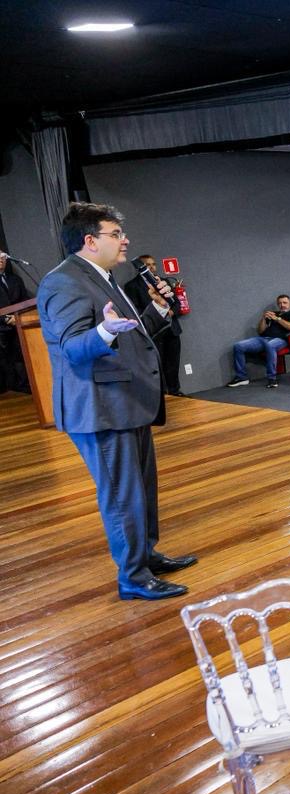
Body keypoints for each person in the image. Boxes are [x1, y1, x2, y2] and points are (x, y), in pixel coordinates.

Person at [36, 201, 195, 600]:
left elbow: (130, 334)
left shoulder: (102, 276)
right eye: (115, 235)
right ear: (90, 241)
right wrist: (104, 331)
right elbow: (73, 348)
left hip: (126, 401)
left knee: (142, 487)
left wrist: (157, 309)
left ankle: (146, 555)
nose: (125, 241)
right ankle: (133, 578)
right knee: (123, 495)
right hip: (101, 407)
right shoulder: (64, 282)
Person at [123, 254, 184, 396]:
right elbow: (135, 310)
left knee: (173, 364)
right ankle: (162, 396)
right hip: (154, 332)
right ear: (141, 268)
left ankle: (176, 392)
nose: (152, 267)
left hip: (172, 330)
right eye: (148, 265)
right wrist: (157, 312)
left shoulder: (164, 282)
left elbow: (177, 303)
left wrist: (168, 312)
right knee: (157, 365)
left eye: (153, 264)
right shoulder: (132, 286)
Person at [226, 294, 290, 389]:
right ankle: (241, 377)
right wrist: (263, 319)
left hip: (281, 339)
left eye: (285, 302)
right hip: (264, 338)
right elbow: (260, 331)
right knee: (238, 346)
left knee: (270, 345)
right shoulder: (274, 313)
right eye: (280, 303)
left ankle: (272, 378)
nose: (282, 305)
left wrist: (277, 319)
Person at [0, 251, 33, 393]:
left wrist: (18, 318)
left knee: (22, 355)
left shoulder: (15, 280)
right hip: (1, 327)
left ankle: (25, 384)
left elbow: (24, 301)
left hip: (18, 324)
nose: (1, 260)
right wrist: (6, 319)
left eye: (2, 257)